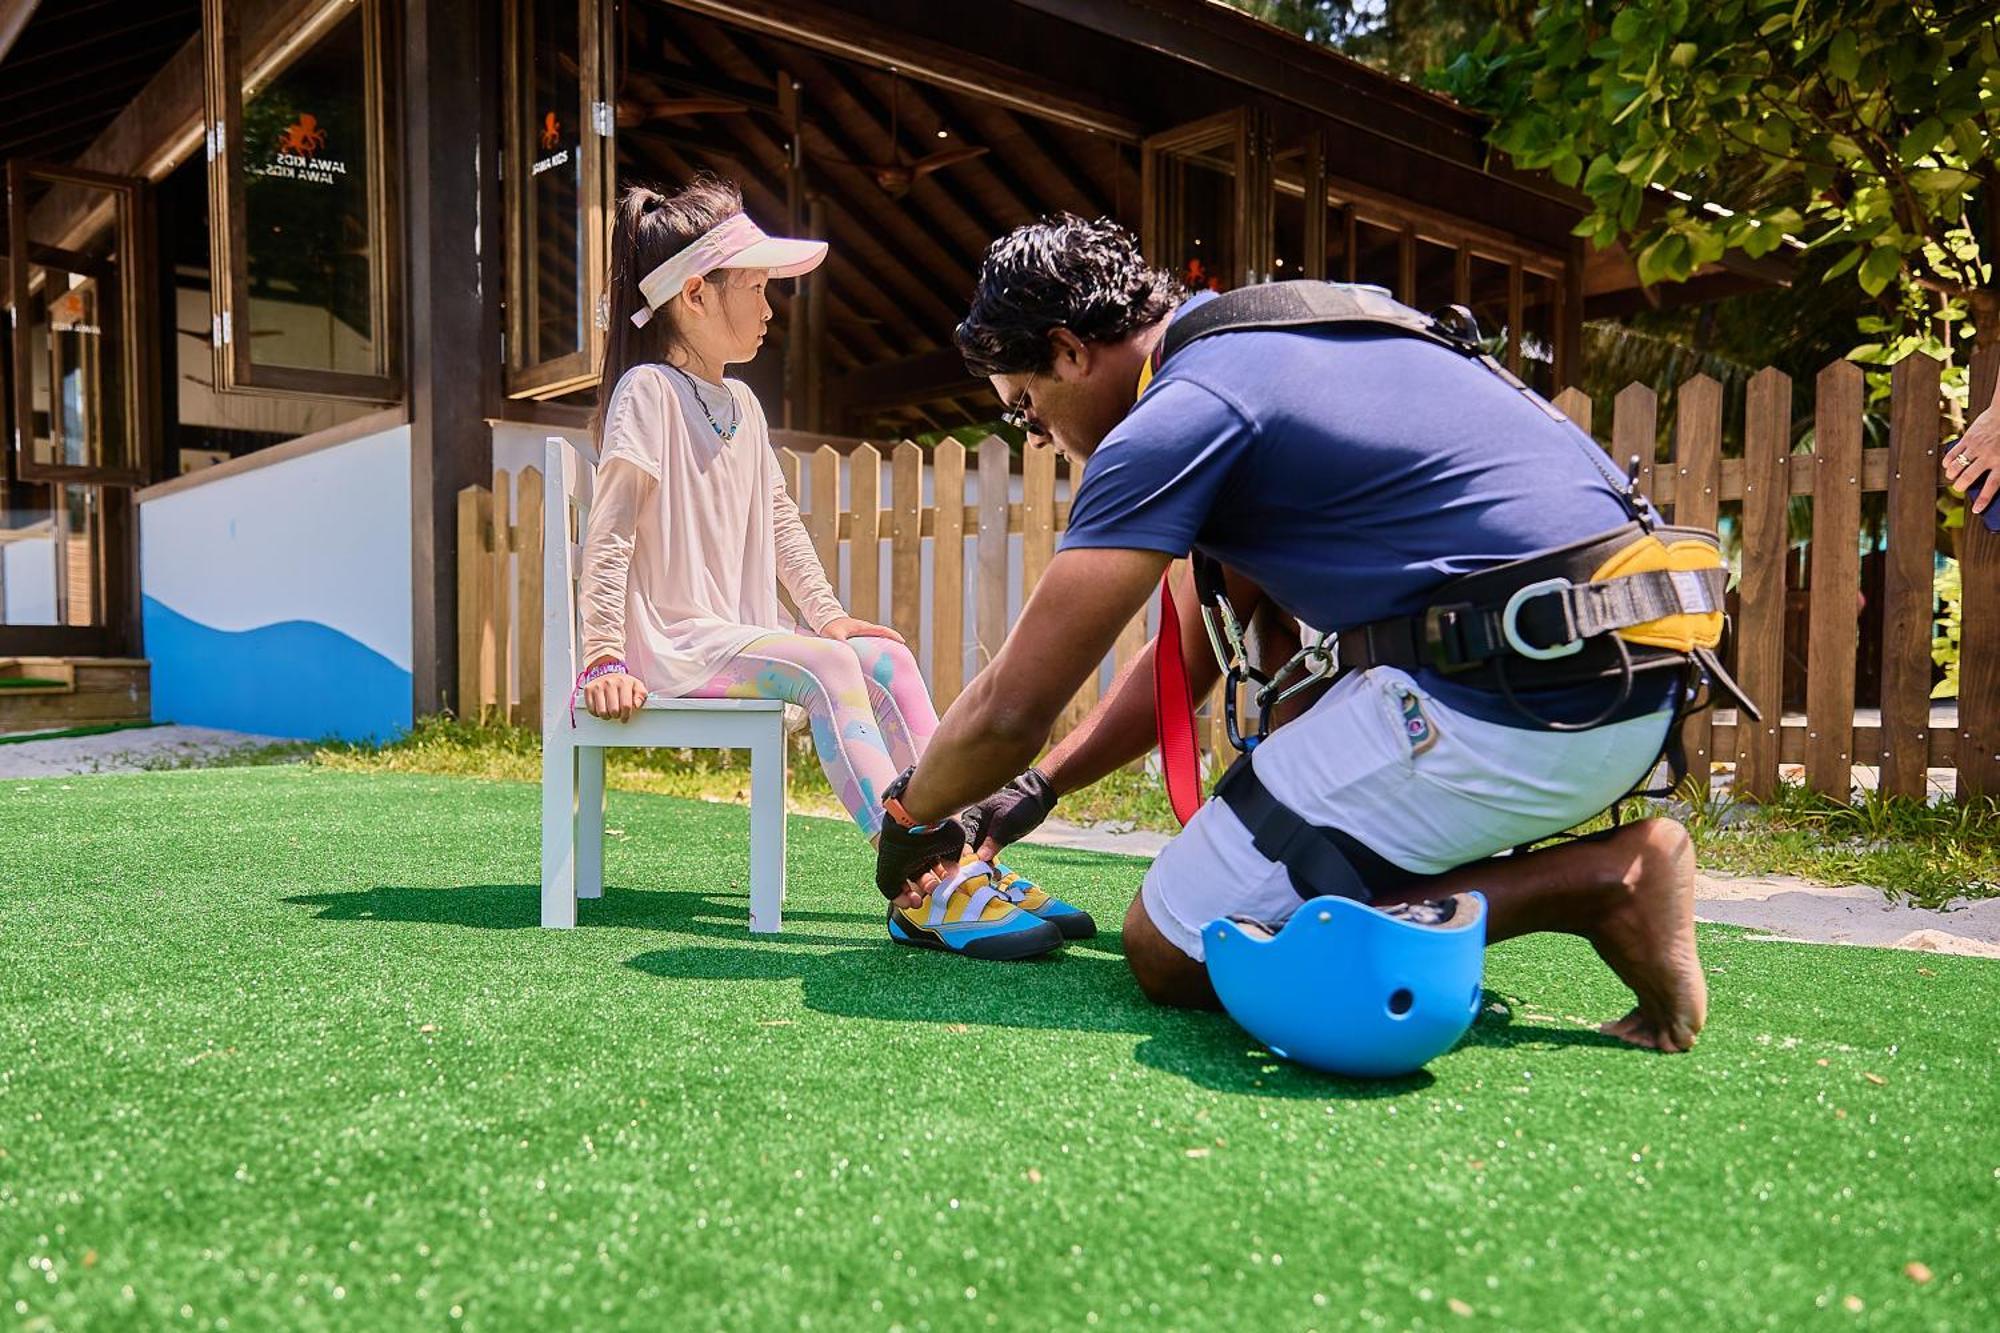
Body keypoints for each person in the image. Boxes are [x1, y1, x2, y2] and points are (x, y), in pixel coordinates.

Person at [873, 214, 1717, 1053]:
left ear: (1067, 349)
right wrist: (1035, 791)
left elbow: (1007, 710)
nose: (1046, 439)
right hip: (1632, 670)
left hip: (1514, 698)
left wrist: (914, 816)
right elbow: (1187, 662)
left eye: (1027, 409)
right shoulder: (1272, 335)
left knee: (1175, 941)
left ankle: (1604, 882)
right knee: (1270, 822)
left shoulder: (1176, 415)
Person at [574, 178, 1090, 959]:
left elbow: (780, 521)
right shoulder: (646, 392)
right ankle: (921, 877)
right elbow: (608, 533)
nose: (770, 308)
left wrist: (828, 614)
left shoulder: (741, 404)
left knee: (883, 654)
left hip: (735, 635)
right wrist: (601, 656)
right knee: (824, 667)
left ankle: (969, 851)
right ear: (695, 295)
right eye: (756, 288)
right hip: (671, 644)